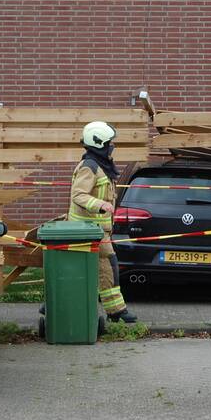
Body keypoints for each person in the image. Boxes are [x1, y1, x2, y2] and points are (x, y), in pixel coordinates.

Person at [68, 121, 137, 324]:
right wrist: (101, 205)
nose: (112, 147)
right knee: (108, 267)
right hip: (87, 231)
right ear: (99, 144)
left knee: (88, 270)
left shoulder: (99, 165)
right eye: (109, 143)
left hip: (97, 231)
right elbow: (78, 195)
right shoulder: (89, 167)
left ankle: (53, 304)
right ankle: (116, 311)